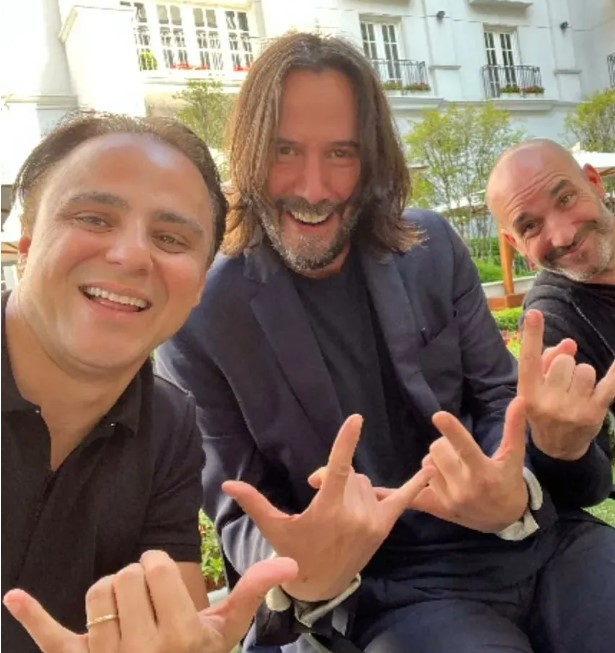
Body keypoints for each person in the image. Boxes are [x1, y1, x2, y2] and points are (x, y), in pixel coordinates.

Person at [156, 33, 615, 653]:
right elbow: (239, 511)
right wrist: (305, 565)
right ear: (250, 152)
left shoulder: (432, 246)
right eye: (285, 150)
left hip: (541, 545)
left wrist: (512, 488)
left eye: (341, 153)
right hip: (393, 594)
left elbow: (497, 401)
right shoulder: (201, 315)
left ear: (371, 158)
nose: (314, 188)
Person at [1, 111, 298, 653]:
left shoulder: (169, 425)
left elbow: (180, 626)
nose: (131, 255)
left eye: (170, 238)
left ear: (199, 286)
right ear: (25, 244)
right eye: (94, 219)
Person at [486, 138, 615, 503]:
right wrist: (563, 450)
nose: (564, 235)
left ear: (595, 182)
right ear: (516, 244)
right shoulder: (553, 323)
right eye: (530, 226)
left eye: (566, 199)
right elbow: (588, 487)